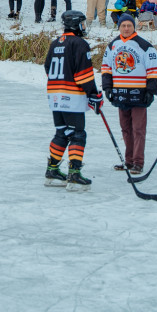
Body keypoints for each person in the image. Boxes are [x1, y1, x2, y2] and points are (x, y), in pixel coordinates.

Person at [43, 10, 101, 190]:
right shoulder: (80, 43)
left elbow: (47, 67)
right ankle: (74, 174)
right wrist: (93, 93)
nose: (84, 27)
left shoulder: (55, 43)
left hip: (54, 96)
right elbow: (83, 74)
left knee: (62, 132)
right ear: (76, 25)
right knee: (77, 133)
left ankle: (52, 171)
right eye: (82, 24)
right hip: (72, 96)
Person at [102, 14, 157, 173]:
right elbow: (106, 68)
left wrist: (151, 91)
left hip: (139, 94)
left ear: (134, 27)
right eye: (123, 26)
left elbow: (154, 70)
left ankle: (138, 162)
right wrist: (107, 87)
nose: (126, 28)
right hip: (121, 93)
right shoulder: (113, 45)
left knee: (138, 129)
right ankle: (128, 161)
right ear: (119, 27)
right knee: (126, 129)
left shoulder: (143, 45)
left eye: (129, 25)